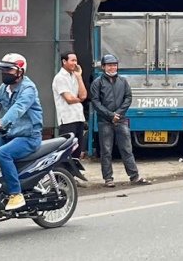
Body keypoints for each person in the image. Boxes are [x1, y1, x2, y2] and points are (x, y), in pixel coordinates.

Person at [0, 53, 43, 210]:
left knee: (2, 153)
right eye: (3, 70)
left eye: (8, 70)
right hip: (8, 135)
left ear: (20, 72)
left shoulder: (28, 89)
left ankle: (16, 194)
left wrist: (1, 122)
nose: (4, 73)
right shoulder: (5, 88)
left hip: (28, 137)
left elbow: (19, 108)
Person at [90, 54, 150, 187]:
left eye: (114, 65)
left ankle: (134, 176)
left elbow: (128, 97)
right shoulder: (97, 83)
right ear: (103, 67)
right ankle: (108, 179)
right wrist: (110, 115)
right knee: (106, 151)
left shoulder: (123, 81)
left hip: (121, 120)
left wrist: (118, 113)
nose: (112, 67)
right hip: (105, 121)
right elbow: (95, 102)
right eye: (109, 65)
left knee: (127, 149)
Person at [52, 51, 87, 159]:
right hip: (67, 119)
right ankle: (63, 174)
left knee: (77, 150)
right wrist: (79, 99)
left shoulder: (75, 76)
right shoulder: (60, 78)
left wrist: (79, 77)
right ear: (64, 61)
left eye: (76, 60)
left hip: (78, 117)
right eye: (72, 60)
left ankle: (73, 175)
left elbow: (84, 95)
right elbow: (69, 99)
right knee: (66, 152)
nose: (75, 63)